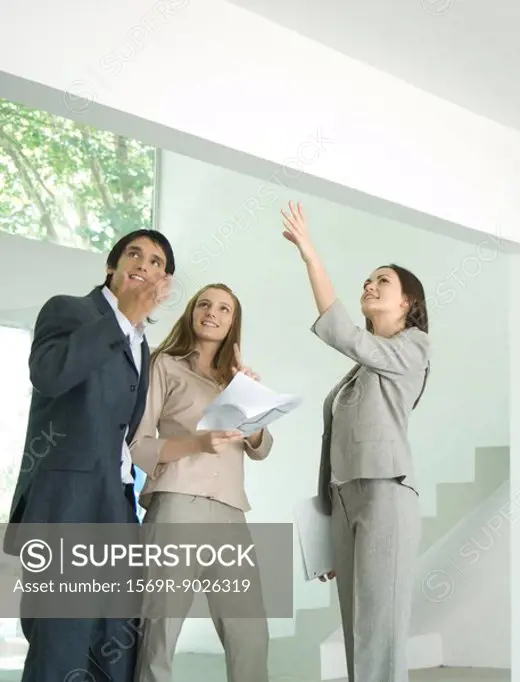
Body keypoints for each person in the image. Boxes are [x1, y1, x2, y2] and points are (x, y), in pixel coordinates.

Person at [2, 229, 175, 682]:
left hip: (117, 505)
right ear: (111, 267)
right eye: (133, 254)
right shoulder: (69, 310)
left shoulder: (142, 344)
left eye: (156, 261)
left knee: (115, 643)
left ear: (165, 281)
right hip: (68, 505)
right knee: (62, 639)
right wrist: (121, 319)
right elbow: (50, 374)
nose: (144, 264)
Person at [279, 201, 430, 682]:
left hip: (386, 493)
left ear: (407, 303)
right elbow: (333, 443)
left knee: (378, 634)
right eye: (368, 279)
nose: (370, 284)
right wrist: (327, 523)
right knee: (355, 631)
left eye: (381, 281)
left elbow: (344, 333)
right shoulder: (362, 368)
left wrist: (310, 254)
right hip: (344, 501)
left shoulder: (413, 348)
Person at [128, 283, 273, 682]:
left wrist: (252, 402)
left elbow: (261, 448)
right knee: (160, 631)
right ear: (192, 312)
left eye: (225, 308)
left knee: (250, 633)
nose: (213, 312)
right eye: (205, 304)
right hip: (176, 506)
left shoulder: (237, 379)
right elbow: (139, 447)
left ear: (233, 322)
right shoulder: (164, 365)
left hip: (229, 511)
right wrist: (196, 442)